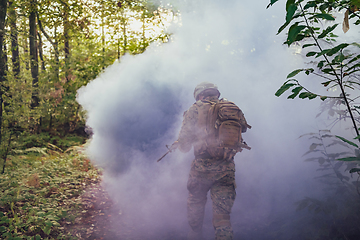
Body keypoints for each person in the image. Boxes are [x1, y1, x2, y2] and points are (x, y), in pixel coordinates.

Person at [176, 82, 249, 240]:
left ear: (200, 95)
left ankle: (195, 234)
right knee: (222, 219)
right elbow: (243, 128)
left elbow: (184, 146)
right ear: (216, 93)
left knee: (196, 204)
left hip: (201, 169)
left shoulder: (195, 109)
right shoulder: (231, 107)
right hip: (226, 169)